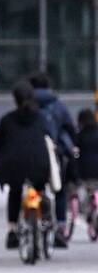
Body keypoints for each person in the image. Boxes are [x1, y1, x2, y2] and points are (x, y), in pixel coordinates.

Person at [0, 81, 51, 248]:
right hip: (39, 164)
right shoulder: (41, 118)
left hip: (13, 167)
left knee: (15, 192)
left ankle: (12, 230)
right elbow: (50, 136)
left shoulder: (7, 120)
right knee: (40, 189)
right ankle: (45, 218)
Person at [30, 72, 77, 247]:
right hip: (56, 152)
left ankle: (37, 215)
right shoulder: (58, 105)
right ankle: (60, 228)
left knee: (35, 187)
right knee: (60, 189)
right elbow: (70, 128)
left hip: (32, 153)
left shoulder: (27, 104)